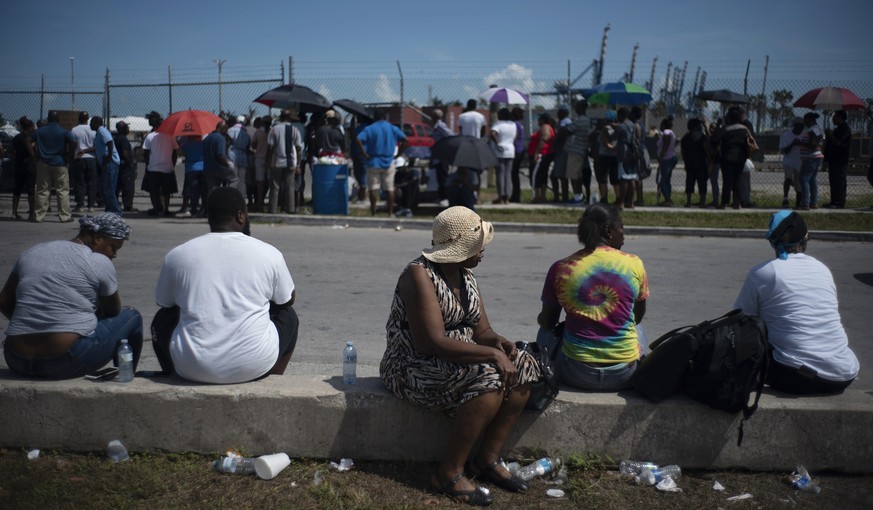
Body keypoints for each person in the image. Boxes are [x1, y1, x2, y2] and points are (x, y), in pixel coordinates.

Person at [380, 206, 539, 506]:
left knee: (526, 366)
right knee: (490, 379)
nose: (483, 251)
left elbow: (482, 331)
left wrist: (499, 343)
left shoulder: (466, 276)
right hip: (413, 365)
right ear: (458, 248)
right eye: (478, 246)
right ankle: (449, 473)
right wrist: (492, 357)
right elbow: (432, 342)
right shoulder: (419, 274)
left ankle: (487, 460)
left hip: (455, 359)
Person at [151, 187, 299, 384]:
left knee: (161, 319)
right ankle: (272, 381)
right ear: (240, 216)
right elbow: (287, 299)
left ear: (209, 217)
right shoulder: (268, 253)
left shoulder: (178, 255)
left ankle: (173, 375)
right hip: (253, 366)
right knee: (289, 317)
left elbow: (164, 303)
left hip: (191, 367)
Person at [0, 213, 143, 379]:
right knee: (131, 316)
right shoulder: (98, 261)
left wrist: (33, 326)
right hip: (63, 361)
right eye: (114, 247)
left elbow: (3, 301)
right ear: (98, 238)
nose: (114, 255)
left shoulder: (32, 252)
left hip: (16, 359)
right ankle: (127, 375)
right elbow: (113, 311)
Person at [734, 211, 859, 394]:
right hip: (843, 375)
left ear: (772, 241)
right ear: (805, 239)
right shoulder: (822, 269)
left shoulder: (764, 272)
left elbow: (741, 321)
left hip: (798, 377)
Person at [537, 203, 649, 391]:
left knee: (544, 333)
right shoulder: (633, 263)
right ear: (608, 230)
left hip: (574, 372)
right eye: (621, 227)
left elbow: (548, 322)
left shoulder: (561, 268)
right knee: (640, 330)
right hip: (624, 374)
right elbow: (637, 317)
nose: (624, 234)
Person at [355, 110, 407, 216]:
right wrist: (398, 154)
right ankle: (390, 212)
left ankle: (374, 212)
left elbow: (358, 139)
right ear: (385, 117)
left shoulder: (370, 128)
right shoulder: (392, 128)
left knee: (373, 188)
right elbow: (405, 139)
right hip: (388, 161)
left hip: (373, 161)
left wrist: (364, 154)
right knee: (389, 188)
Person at [29, 110, 76, 223]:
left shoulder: (39, 131)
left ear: (48, 119)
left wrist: (33, 155)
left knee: (42, 190)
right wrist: (69, 156)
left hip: (43, 162)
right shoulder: (63, 131)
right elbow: (74, 141)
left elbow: (27, 140)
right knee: (62, 190)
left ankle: (39, 216)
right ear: (58, 119)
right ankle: (65, 216)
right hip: (60, 162)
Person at [711, 106, 757, 210]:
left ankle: (724, 203)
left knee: (727, 180)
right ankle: (737, 203)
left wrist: (719, 125)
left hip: (727, 158)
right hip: (741, 158)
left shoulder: (726, 128)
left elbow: (714, 139)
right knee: (737, 180)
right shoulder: (744, 129)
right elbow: (751, 140)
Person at [266, 109, 303, 214]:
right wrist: (298, 164)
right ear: (290, 118)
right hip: (290, 162)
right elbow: (299, 149)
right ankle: (290, 208)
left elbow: (270, 147)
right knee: (289, 186)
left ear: (280, 117)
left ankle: (272, 209)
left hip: (276, 162)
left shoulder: (274, 129)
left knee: (275, 187)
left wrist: (268, 160)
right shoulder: (295, 129)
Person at [142, 115, 179, 216]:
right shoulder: (170, 136)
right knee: (167, 191)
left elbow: (145, 152)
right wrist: (173, 163)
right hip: (167, 167)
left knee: (153, 190)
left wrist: (148, 164)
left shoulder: (150, 136)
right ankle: (166, 210)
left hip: (153, 167)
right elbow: (176, 151)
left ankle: (156, 208)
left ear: (155, 126)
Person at [90, 116, 122, 215]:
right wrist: (84, 151)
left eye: (91, 122)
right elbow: (98, 147)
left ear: (96, 123)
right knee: (107, 188)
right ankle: (109, 210)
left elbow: (110, 142)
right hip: (108, 161)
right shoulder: (99, 132)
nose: (90, 125)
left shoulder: (102, 131)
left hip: (110, 162)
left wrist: (108, 158)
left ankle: (116, 211)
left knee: (108, 188)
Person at [564, 99, 592, 205]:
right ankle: (578, 195)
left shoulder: (579, 120)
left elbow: (568, 130)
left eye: (577, 107)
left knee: (573, 175)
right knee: (578, 175)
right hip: (582, 150)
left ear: (581, 108)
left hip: (576, 150)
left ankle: (577, 197)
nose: (575, 109)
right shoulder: (587, 120)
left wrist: (564, 129)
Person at [70, 111, 99, 213]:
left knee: (80, 183)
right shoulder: (93, 130)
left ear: (79, 118)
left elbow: (72, 145)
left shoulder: (74, 130)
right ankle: (91, 206)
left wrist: (72, 157)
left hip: (79, 158)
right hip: (91, 158)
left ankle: (80, 205)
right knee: (92, 183)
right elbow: (97, 146)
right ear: (88, 119)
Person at [202, 120, 238, 199]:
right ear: (224, 129)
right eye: (226, 130)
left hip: (208, 168)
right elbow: (220, 155)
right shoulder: (220, 138)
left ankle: (210, 208)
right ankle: (229, 199)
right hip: (219, 167)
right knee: (235, 178)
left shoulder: (207, 138)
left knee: (212, 189)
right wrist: (228, 164)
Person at [796, 112, 824, 211]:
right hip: (814, 157)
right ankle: (813, 202)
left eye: (806, 120)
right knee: (812, 180)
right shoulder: (816, 129)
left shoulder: (814, 129)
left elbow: (813, 144)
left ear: (811, 120)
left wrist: (801, 143)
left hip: (811, 158)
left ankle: (805, 204)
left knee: (804, 179)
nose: (804, 122)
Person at [823, 110, 851, 209]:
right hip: (833, 160)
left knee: (839, 182)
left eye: (834, 117)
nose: (833, 119)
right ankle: (833, 201)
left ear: (839, 117)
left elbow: (838, 142)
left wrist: (830, 134)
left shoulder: (845, 129)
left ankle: (839, 203)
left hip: (840, 160)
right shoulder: (837, 129)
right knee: (833, 181)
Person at [680, 118, 710, 208]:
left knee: (689, 182)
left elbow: (683, 152)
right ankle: (702, 202)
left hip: (690, 163)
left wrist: (685, 162)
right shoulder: (702, 137)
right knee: (702, 183)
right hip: (701, 164)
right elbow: (706, 149)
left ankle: (689, 201)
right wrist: (710, 159)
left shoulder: (686, 138)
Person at [488, 108, 516, 204]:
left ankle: (500, 196)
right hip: (510, 150)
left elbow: (492, 133)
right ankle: (507, 197)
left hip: (500, 150)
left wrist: (498, 142)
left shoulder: (498, 124)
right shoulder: (513, 124)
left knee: (500, 174)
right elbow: (515, 135)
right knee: (508, 174)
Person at [11, 116, 36, 220]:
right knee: (30, 190)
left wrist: (16, 157)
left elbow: (10, 151)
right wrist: (32, 157)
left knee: (17, 189)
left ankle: (14, 212)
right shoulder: (31, 137)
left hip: (18, 164)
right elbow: (33, 151)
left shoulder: (16, 137)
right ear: (30, 126)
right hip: (29, 165)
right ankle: (31, 214)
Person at [615, 107, 640, 208]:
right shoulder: (633, 125)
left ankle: (621, 202)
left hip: (623, 152)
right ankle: (631, 202)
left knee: (623, 178)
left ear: (621, 115)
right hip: (633, 151)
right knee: (632, 177)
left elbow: (613, 137)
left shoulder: (621, 126)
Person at [429, 109, 454, 206]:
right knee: (439, 177)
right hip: (438, 155)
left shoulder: (440, 126)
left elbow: (450, 135)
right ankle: (441, 196)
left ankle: (445, 197)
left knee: (443, 177)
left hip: (442, 155)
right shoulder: (436, 126)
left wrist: (443, 145)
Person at [529, 113, 555, 204]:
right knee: (542, 175)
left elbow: (544, 138)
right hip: (545, 154)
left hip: (542, 155)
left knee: (536, 175)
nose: (538, 121)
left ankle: (538, 196)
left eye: (539, 119)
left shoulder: (545, 127)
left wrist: (536, 153)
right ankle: (541, 196)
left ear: (543, 120)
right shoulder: (546, 127)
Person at [177, 135, 206, 217]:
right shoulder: (204, 144)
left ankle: (193, 210)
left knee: (193, 191)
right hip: (203, 168)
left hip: (191, 168)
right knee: (204, 190)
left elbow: (180, 153)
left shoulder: (186, 145)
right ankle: (204, 209)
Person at [779, 117, 804, 208]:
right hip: (788, 160)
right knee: (788, 178)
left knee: (798, 183)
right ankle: (785, 198)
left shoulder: (804, 135)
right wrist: (793, 143)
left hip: (799, 162)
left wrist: (801, 144)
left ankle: (798, 203)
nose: (799, 129)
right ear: (794, 126)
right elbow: (784, 151)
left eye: (801, 127)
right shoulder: (786, 135)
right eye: (798, 126)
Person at [113, 121, 136, 213]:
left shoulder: (116, 138)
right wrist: (130, 163)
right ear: (122, 129)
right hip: (125, 167)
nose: (128, 129)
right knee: (128, 187)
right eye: (126, 127)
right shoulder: (123, 139)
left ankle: (115, 204)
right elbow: (125, 152)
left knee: (117, 186)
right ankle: (128, 206)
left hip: (119, 166)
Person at [550, 106, 572, 203]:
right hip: (563, 151)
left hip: (562, 151)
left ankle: (562, 197)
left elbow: (561, 134)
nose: (557, 114)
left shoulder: (564, 122)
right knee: (559, 175)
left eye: (559, 112)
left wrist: (556, 141)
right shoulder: (565, 121)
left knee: (559, 176)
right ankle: (563, 196)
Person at [655, 116, 677, 206]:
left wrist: (661, 156)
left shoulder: (666, 132)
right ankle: (667, 199)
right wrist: (657, 137)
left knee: (661, 181)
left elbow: (666, 144)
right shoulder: (670, 132)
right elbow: (663, 142)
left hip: (666, 159)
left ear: (664, 125)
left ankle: (668, 200)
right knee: (667, 180)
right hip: (671, 158)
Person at [227, 115, 251, 197]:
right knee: (242, 180)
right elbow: (248, 145)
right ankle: (241, 198)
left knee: (233, 179)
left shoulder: (230, 130)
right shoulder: (245, 133)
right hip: (243, 156)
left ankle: (231, 196)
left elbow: (227, 142)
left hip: (232, 156)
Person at [250, 116, 270, 211]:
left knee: (260, 182)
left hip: (259, 158)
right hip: (269, 159)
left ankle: (260, 202)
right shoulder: (271, 132)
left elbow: (253, 146)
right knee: (270, 182)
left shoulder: (258, 132)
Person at [509, 107, 526, 203]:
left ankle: (516, 196)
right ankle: (516, 195)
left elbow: (514, 137)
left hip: (516, 150)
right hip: (520, 149)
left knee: (514, 174)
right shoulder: (520, 124)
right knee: (515, 174)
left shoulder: (514, 124)